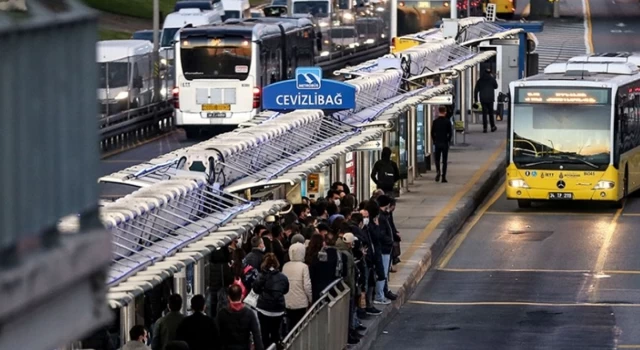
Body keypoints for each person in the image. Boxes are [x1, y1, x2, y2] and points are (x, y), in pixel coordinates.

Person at [253, 253, 290, 348]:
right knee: (276, 332)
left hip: (263, 309)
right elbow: (285, 290)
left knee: (264, 333)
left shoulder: (261, 276)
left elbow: (256, 290)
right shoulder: (283, 277)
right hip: (278, 310)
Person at [217, 284, 264, 350]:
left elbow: (217, 335)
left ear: (228, 297)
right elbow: (256, 336)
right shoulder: (249, 313)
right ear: (241, 296)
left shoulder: (222, 314)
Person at [282, 242, 313, 332]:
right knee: (300, 326)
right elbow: (307, 285)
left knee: (290, 325)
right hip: (301, 302)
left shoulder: (285, 266)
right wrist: (310, 298)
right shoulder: (304, 267)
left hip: (287, 301)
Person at [431, 105, 452, 183]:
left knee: (437, 159)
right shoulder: (447, 121)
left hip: (437, 143)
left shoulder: (435, 122)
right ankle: (443, 177)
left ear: (439, 111)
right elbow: (450, 133)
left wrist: (434, 140)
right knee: (444, 160)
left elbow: (432, 133)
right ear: (445, 112)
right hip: (445, 143)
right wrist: (448, 141)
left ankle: (438, 172)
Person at [474, 67, 499, 133]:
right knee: (491, 113)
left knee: (484, 114)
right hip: (490, 98)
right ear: (490, 73)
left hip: (483, 99)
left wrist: (476, 99)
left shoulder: (480, 80)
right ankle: (492, 127)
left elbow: (476, 90)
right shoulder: (492, 79)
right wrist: (493, 78)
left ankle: (485, 128)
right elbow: (496, 86)